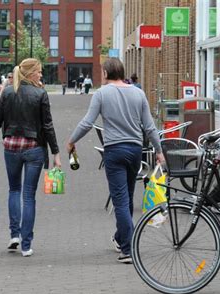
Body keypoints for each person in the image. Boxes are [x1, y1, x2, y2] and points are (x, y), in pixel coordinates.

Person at [66, 58, 165, 264]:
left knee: (120, 199)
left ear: (106, 73)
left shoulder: (102, 94)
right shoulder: (138, 93)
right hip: (135, 150)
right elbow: (149, 126)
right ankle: (121, 238)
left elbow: (87, 122)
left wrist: (72, 140)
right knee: (127, 196)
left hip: (114, 151)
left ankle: (128, 249)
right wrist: (158, 150)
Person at [0, 58, 61, 257]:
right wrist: (55, 152)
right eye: (39, 71)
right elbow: (47, 125)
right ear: (30, 73)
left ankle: (14, 235)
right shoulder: (40, 94)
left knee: (14, 190)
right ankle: (26, 244)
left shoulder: (7, 93)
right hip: (34, 148)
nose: (41, 75)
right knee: (28, 196)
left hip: (11, 147)